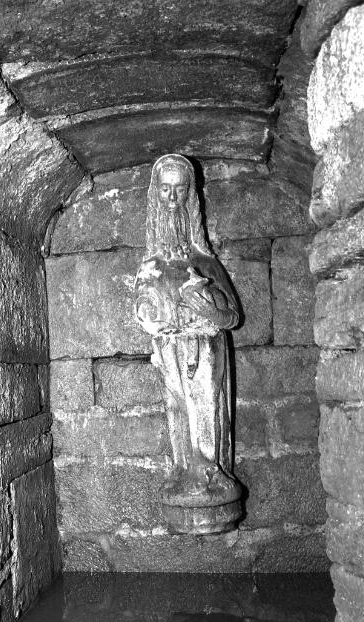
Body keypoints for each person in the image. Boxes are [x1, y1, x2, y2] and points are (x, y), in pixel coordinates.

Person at [134, 154, 241, 517]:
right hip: (170, 349)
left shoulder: (206, 262)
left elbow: (232, 316)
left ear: (190, 196)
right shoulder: (151, 265)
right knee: (178, 405)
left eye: (180, 190)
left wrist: (210, 312)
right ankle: (183, 470)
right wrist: (160, 320)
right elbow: (143, 311)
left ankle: (211, 471)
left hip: (207, 348)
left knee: (207, 405)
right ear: (155, 194)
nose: (172, 198)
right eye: (165, 189)